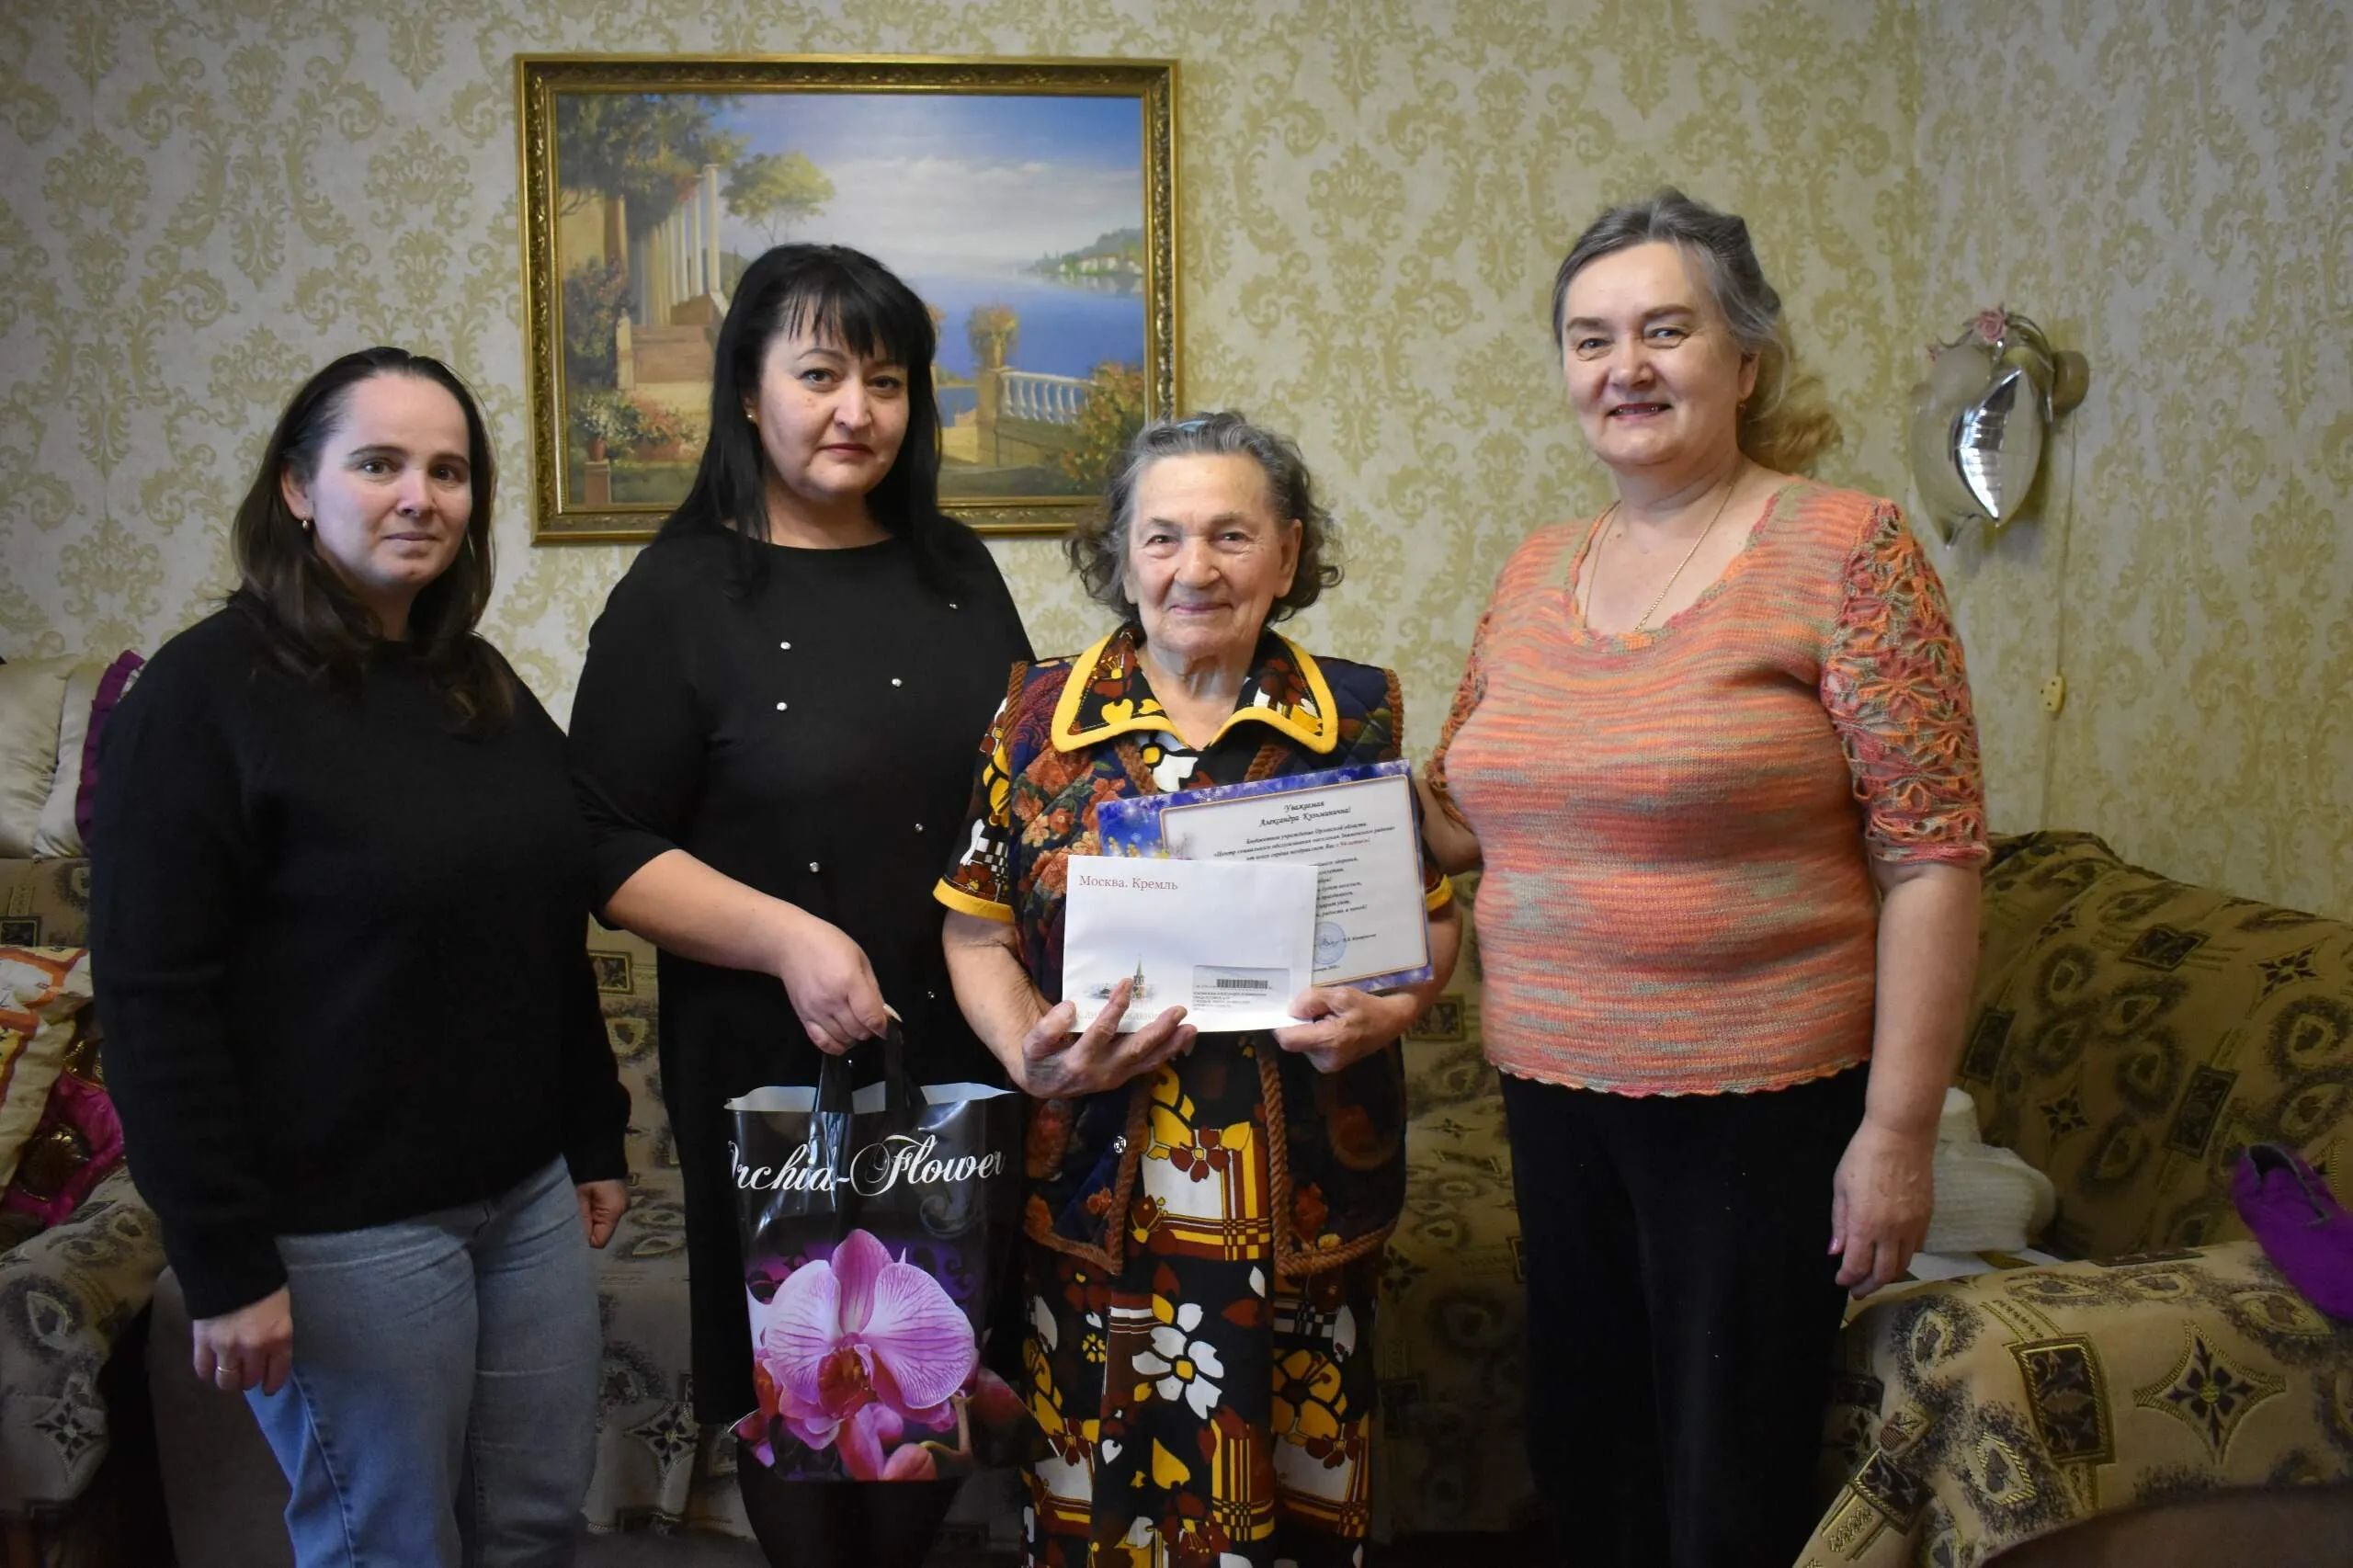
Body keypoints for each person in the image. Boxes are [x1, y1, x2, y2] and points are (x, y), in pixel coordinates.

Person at [1416, 188, 1990, 1567]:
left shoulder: (1849, 549)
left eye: (1664, 331)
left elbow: (1932, 856)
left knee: (1725, 1485)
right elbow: (1459, 818)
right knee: (1589, 1459)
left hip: (1757, 1106)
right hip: (1551, 1087)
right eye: (1591, 339)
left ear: (1745, 357)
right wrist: (1253, 788)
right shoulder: (1537, 568)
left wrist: (1898, 1131)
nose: (1625, 367)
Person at [89, 347, 631, 1566]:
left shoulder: (475, 683)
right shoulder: (200, 694)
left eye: (449, 471)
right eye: (379, 464)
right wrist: (223, 1260)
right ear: (296, 486)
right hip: (342, 1229)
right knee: (389, 1543)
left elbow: (542, 924)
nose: (420, 497)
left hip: (524, 1199)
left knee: (535, 1527)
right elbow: (153, 1001)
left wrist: (592, 1131)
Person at [566, 244, 1031, 1563]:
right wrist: (790, 937)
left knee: (926, 1390)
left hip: (955, 1044)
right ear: (748, 391)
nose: (855, 411)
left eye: (886, 382)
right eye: (820, 374)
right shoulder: (679, 592)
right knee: (799, 1398)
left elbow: (1023, 795)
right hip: (770, 1057)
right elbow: (601, 840)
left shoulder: (956, 571)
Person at [938, 411, 1461, 1567]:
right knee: (1096, 1508)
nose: (1196, 568)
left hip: (1302, 1197)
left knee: (1291, 1503)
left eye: (1232, 534)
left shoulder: (1352, 715)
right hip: (1096, 1188)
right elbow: (973, 930)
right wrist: (1029, 1050)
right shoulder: (1035, 721)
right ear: (1120, 555)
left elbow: (1430, 917)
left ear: (1287, 553)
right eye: (1163, 535)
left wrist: (1393, 1008)